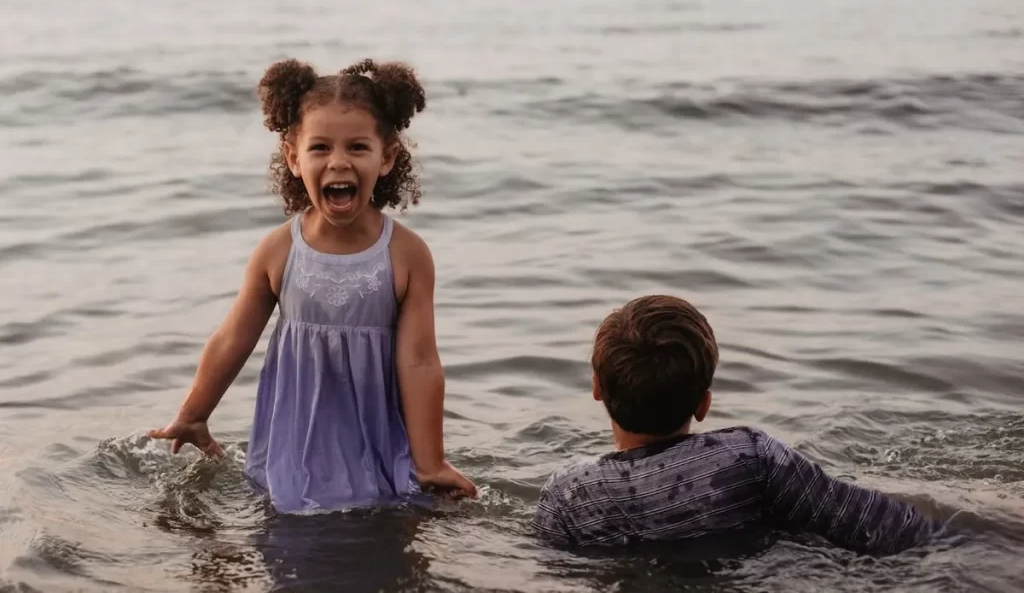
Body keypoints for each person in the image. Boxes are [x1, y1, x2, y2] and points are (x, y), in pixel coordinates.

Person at [149, 58, 476, 512]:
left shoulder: (406, 254)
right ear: (292, 156)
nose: (338, 161)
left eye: (358, 147)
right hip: (294, 444)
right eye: (319, 147)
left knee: (387, 546)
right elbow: (233, 338)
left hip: (376, 441)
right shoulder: (278, 249)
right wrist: (193, 414)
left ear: (388, 157)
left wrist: (431, 462)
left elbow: (420, 362)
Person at [533, 295, 949, 554]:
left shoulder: (566, 496)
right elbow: (880, 527)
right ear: (704, 404)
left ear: (597, 389)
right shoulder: (750, 456)